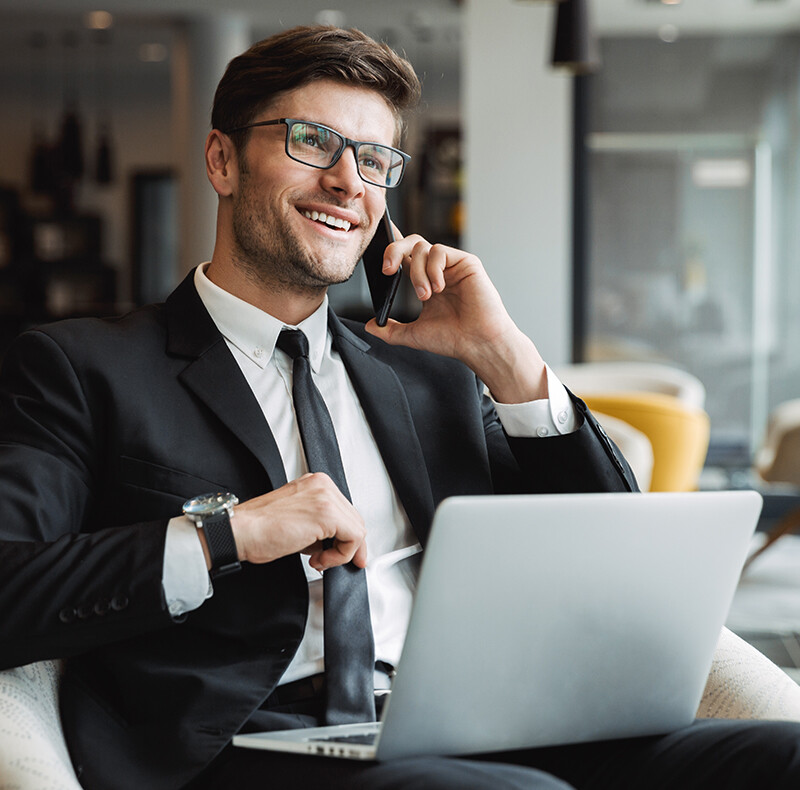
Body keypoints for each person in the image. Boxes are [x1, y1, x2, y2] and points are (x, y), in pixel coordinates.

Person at [0, 24, 797, 790]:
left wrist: (508, 362)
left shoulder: (429, 375)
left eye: (375, 160)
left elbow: (612, 551)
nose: (349, 181)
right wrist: (228, 534)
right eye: (311, 141)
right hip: (249, 747)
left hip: (477, 725)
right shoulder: (82, 367)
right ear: (222, 159)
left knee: (781, 755)